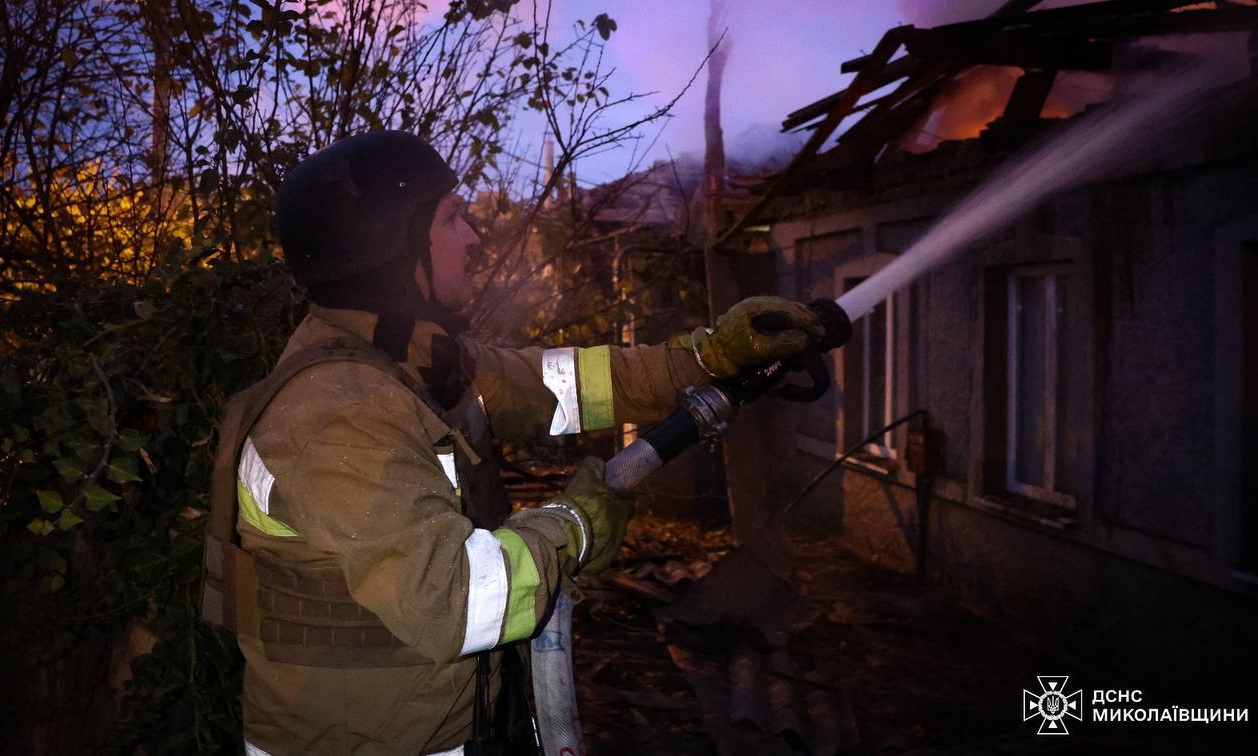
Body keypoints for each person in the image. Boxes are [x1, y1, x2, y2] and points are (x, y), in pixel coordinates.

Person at [205, 131, 823, 755]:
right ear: (388, 247)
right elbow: (454, 597)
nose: (474, 237)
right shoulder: (339, 411)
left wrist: (709, 357)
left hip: (446, 722)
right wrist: (575, 528)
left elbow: (565, 383)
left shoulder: (415, 365)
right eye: (451, 219)